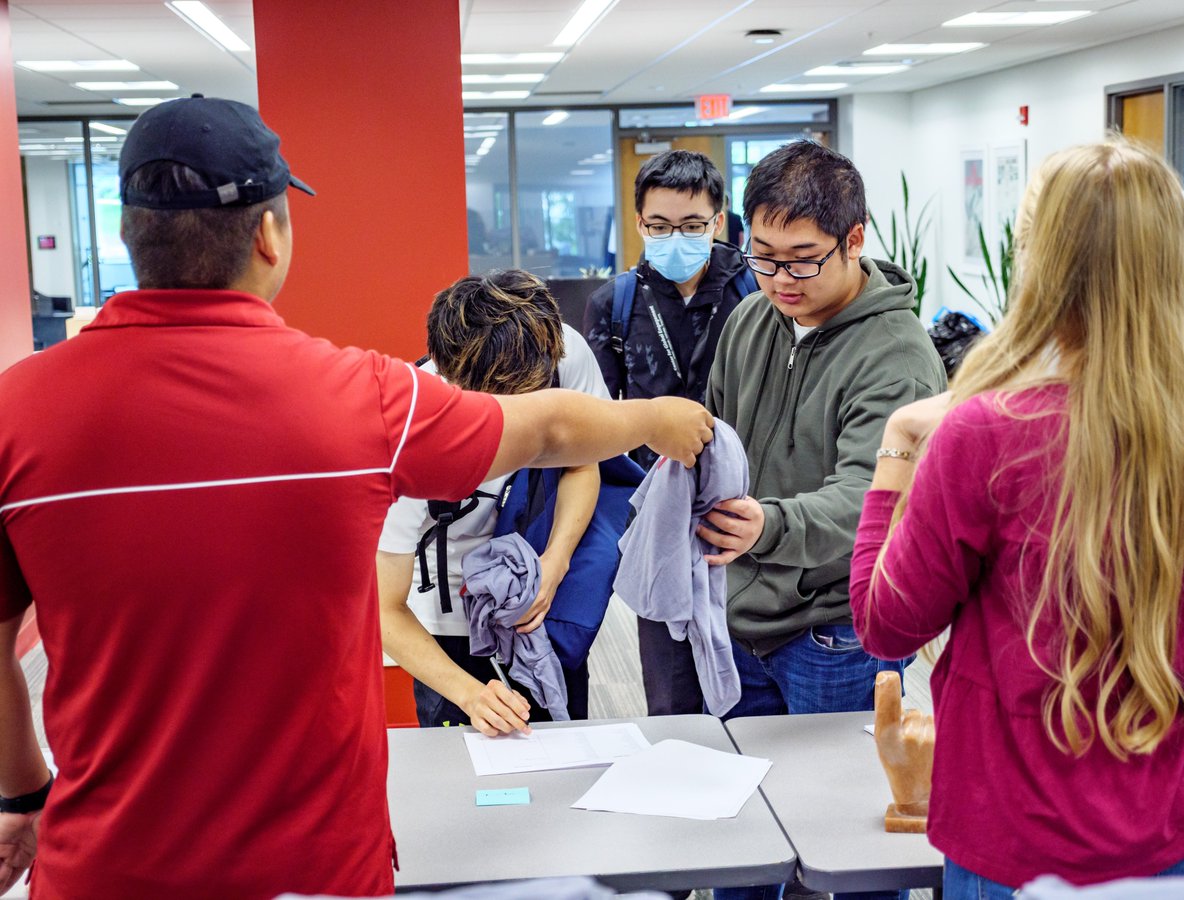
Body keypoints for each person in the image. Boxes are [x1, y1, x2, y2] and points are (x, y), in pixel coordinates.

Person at [0, 96, 714, 900]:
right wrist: (657, 416)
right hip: (314, 865)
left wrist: (22, 794)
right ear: (270, 235)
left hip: (105, 866)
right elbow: (546, 431)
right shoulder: (365, 398)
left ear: (130, 233)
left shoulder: (13, 414)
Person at [850, 137, 1184, 898]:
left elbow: (885, 624)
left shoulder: (983, 435)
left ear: (1038, 264)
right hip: (1179, 832)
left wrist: (899, 445)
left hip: (1010, 835)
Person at [699, 140, 945, 900]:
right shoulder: (750, 319)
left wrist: (765, 525)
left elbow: (869, 498)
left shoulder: (895, 354)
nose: (778, 279)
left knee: (846, 846)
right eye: (761, 256)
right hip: (740, 619)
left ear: (855, 240)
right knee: (742, 829)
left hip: (836, 634)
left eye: (801, 260)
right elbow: (719, 431)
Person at [377, 270, 608, 730]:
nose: (515, 430)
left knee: (563, 750)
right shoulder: (405, 432)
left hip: (543, 598)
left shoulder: (563, 352)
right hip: (450, 624)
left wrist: (555, 561)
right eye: (498, 408)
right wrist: (470, 694)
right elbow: (382, 607)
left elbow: (585, 462)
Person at [583, 149, 754, 719]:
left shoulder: (756, 295)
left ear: (718, 221)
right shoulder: (615, 302)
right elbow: (600, 419)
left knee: (747, 682)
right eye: (658, 227)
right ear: (638, 223)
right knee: (672, 687)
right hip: (657, 512)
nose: (673, 238)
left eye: (690, 226)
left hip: (742, 509)